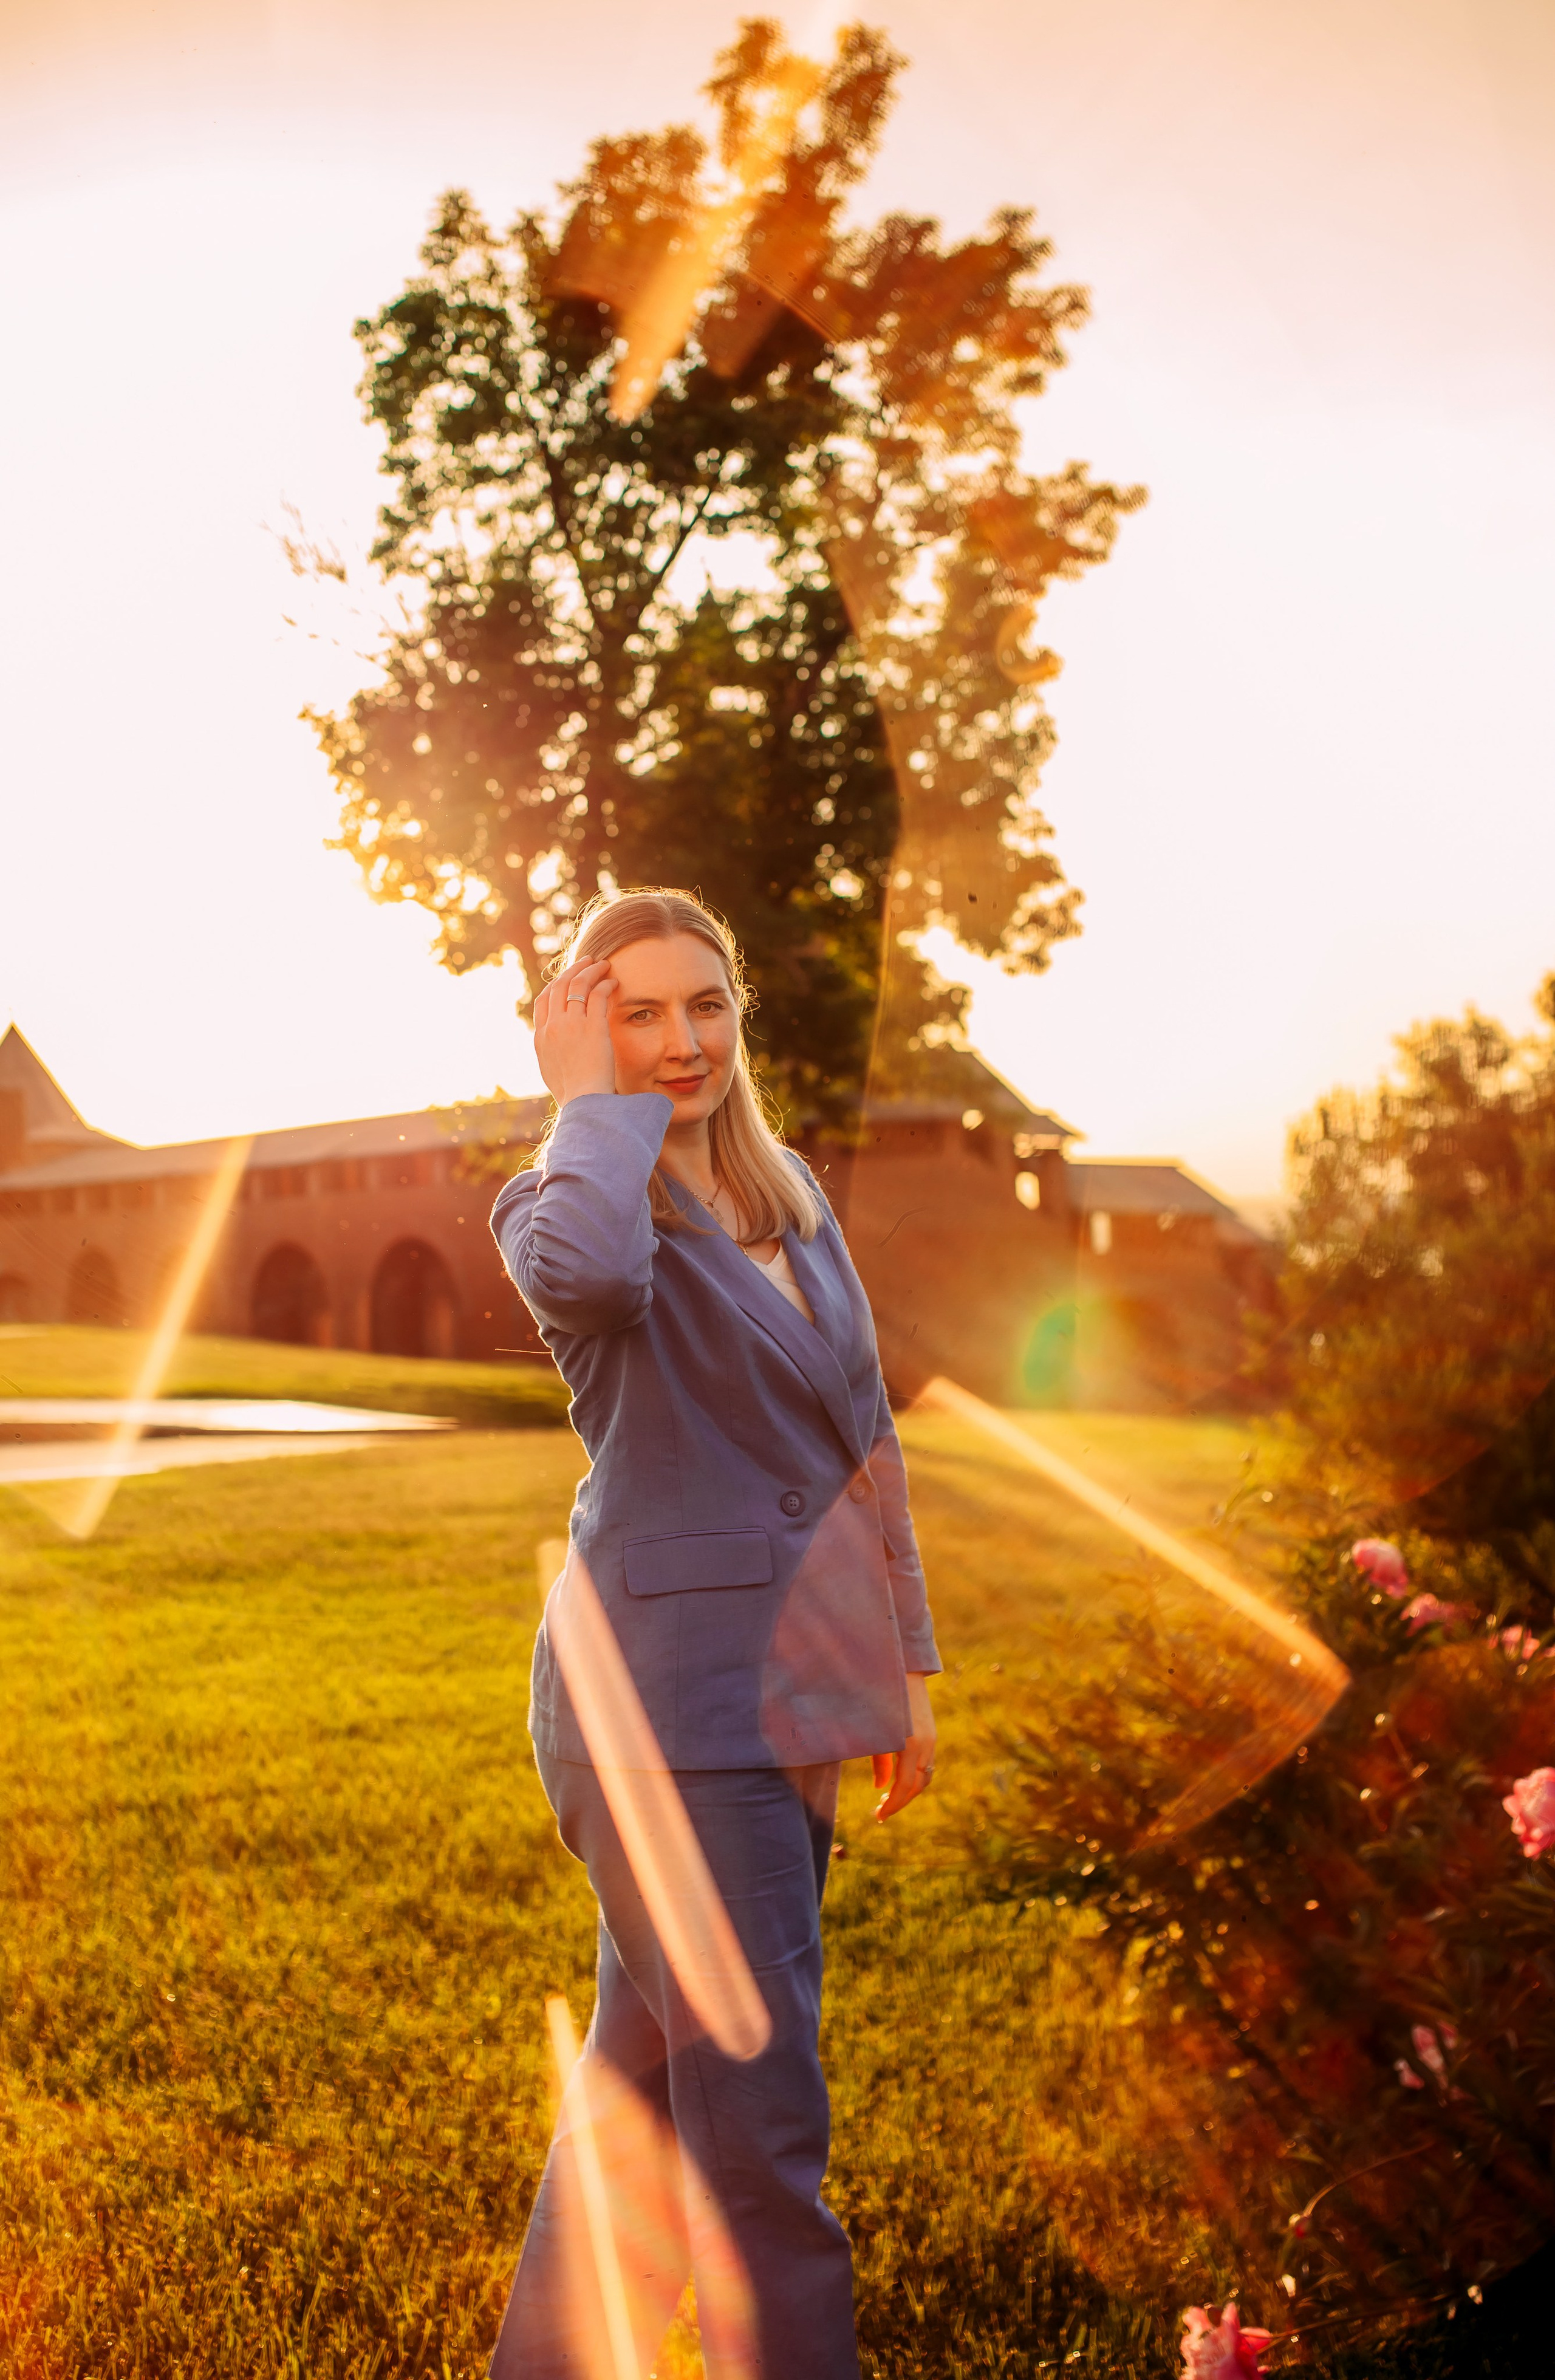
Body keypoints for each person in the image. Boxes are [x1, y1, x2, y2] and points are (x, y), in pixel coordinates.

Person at [487, 886, 940, 2380]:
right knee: (762, 2145)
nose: (682, 1042)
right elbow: (594, 1280)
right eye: (639, 1013)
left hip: (793, 1698)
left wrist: (904, 1665)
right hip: (664, 1720)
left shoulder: (791, 1197)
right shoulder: (561, 1202)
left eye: (705, 1005)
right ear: (583, 1029)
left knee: (641, 2095)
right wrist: (587, 1105)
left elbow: (862, 1438)